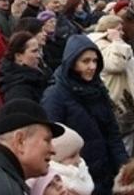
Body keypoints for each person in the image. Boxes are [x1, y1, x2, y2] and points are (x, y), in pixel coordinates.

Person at [42, 34, 128, 195]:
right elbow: (53, 143)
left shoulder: (97, 88)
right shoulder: (55, 96)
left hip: (106, 172)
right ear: (72, 62)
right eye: (85, 61)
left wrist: (123, 165)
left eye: (95, 61)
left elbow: (112, 131)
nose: (92, 66)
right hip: (78, 178)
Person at [89, 15, 134, 154]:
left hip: (125, 98)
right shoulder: (100, 46)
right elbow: (117, 65)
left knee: (128, 139)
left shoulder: (113, 44)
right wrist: (116, 40)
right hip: (117, 101)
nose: (122, 33)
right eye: (119, 29)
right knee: (123, 143)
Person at [0, 31, 49, 103]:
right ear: (18, 56)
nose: (39, 56)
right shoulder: (18, 91)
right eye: (34, 51)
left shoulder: (36, 74)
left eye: (38, 50)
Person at [49, 124, 95, 195]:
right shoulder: (57, 187)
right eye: (72, 156)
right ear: (57, 160)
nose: (78, 160)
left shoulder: (81, 173)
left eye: (79, 153)